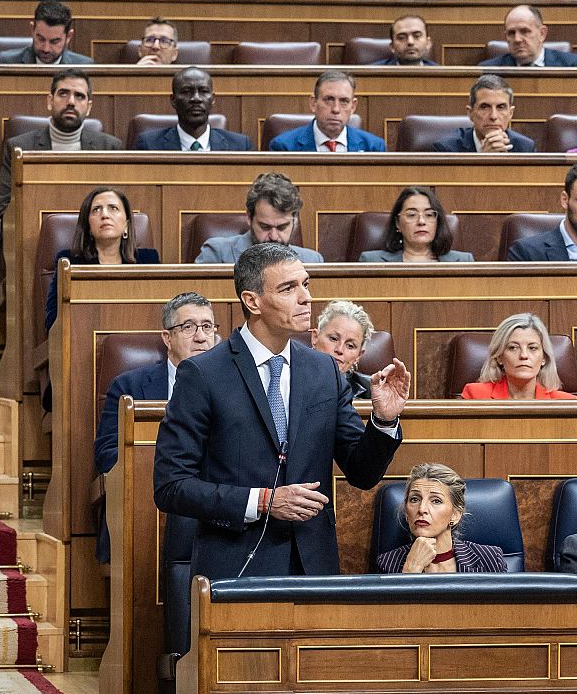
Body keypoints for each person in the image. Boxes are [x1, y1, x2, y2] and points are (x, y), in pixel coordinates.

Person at [153, 242, 409, 579]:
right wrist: (261, 501)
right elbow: (171, 486)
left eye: (305, 284)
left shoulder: (323, 371)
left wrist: (384, 420)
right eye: (288, 288)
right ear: (252, 301)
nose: (305, 297)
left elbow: (362, 474)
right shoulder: (203, 374)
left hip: (312, 568)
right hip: (235, 571)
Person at [93, 291, 217, 562]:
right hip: (147, 506)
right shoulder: (130, 387)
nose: (200, 336)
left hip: (214, 509)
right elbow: (107, 453)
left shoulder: (233, 387)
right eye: (188, 327)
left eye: (207, 326)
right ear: (167, 337)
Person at [0, 69, 122, 219]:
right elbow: (3, 207)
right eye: (63, 93)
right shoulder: (19, 148)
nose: (71, 102)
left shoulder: (109, 147)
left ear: (88, 108)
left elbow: (118, 206)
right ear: (50, 101)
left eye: (79, 96)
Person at [45, 187, 160, 330]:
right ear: (88, 227)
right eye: (96, 210)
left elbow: (160, 316)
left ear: (127, 225)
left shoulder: (148, 260)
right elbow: (52, 320)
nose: (105, 215)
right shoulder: (70, 262)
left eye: (113, 208)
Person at [375, 463, 507, 573]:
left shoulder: (489, 559)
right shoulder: (387, 564)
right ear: (406, 513)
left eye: (436, 501)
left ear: (455, 515)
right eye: (414, 499)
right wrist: (411, 568)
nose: (422, 509)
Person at [196, 173, 323, 264]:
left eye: (282, 227)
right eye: (265, 226)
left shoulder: (312, 261)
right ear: (249, 218)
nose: (273, 236)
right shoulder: (217, 254)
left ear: (294, 220)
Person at [459, 312, 577, 400]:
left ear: (544, 358)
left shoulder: (565, 402)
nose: (524, 355)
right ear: (499, 357)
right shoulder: (476, 396)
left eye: (532, 348)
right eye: (513, 348)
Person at [132, 67, 253, 152]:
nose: (196, 98)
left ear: (213, 99)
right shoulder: (149, 144)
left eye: (203, 91)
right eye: (186, 92)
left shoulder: (240, 145)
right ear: (173, 100)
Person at [267, 72, 387, 153]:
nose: (336, 109)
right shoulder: (284, 147)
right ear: (313, 103)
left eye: (344, 101)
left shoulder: (373, 147)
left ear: (353, 106)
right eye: (329, 100)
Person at [360, 186, 473, 262]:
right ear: (398, 223)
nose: (421, 222)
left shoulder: (464, 261)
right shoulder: (372, 261)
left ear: (437, 223)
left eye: (429, 215)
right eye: (412, 215)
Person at [432, 75, 536, 153]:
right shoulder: (446, 149)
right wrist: (483, 159)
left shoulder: (525, 147)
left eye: (501, 107)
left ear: (510, 113)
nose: (493, 116)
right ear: (470, 113)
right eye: (485, 107)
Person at [309, 299, 376, 399]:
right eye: (333, 339)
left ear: (359, 355)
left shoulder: (372, 391)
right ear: (315, 337)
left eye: (350, 346)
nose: (339, 349)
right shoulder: (289, 379)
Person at [0, 0, 93, 65]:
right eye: (40, 39)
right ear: (32, 30)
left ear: (68, 37)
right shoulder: (5, 62)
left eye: (54, 42)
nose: (46, 49)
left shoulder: (84, 67)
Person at [479, 6, 577, 67]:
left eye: (525, 31)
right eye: (511, 33)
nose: (517, 39)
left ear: (542, 34)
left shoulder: (570, 64)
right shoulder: (490, 70)